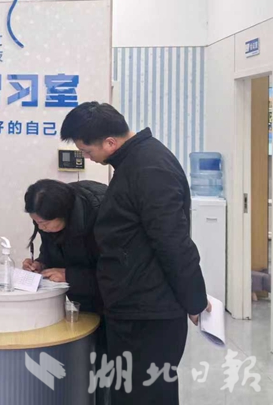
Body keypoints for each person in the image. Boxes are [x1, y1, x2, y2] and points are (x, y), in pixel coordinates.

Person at [60, 102, 211, 405]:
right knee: (129, 393)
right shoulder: (133, 162)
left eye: (87, 152)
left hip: (149, 314)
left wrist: (194, 298)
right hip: (134, 305)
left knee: (146, 395)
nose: (87, 158)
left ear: (110, 142)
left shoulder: (150, 168)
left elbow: (172, 241)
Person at [22, 179, 106, 314]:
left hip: (118, 304)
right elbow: (51, 250)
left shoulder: (101, 215)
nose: (40, 227)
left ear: (62, 213)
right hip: (84, 301)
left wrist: (70, 276)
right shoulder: (49, 220)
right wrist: (41, 263)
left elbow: (116, 274)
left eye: (44, 223)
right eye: (36, 222)